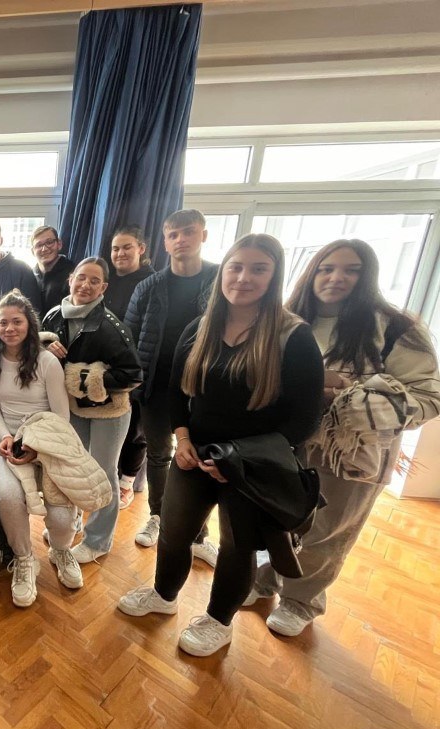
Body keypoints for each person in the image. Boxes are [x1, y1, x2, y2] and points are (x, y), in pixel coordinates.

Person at [117, 234, 324, 657]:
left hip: (253, 467)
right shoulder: (200, 328)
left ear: (274, 276)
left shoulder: (293, 336)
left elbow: (305, 419)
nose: (244, 278)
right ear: (223, 272)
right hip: (195, 454)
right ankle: (163, 595)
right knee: (173, 531)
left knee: (237, 546)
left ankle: (218, 621)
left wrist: (238, 459)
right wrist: (183, 438)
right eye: (236, 267)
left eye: (258, 269)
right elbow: (177, 391)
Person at [250, 239, 440, 636]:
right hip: (288, 440)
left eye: (351, 270)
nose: (336, 278)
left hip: (351, 451)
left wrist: (350, 394)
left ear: (367, 276)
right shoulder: (286, 318)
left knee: (329, 528)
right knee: (278, 517)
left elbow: (428, 396)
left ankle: (301, 600)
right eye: (326, 268)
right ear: (311, 272)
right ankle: (265, 578)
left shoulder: (395, 328)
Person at [125, 210, 219, 565]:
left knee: (203, 458)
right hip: (157, 387)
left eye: (188, 232)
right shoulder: (148, 287)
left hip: (204, 390)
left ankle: (199, 534)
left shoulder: (221, 281)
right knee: (159, 454)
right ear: (165, 242)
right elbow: (129, 337)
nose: (181, 240)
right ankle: (158, 516)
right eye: (174, 235)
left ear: (203, 235)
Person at [41, 257, 143, 563]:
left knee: (103, 473)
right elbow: (39, 352)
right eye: (82, 278)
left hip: (108, 411)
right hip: (73, 407)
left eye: (94, 281)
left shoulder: (112, 327)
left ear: (104, 288)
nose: (86, 285)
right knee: (74, 467)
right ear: (71, 279)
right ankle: (71, 522)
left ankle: (98, 540)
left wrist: (87, 378)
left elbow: (133, 375)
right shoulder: (53, 316)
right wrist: (44, 346)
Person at [0, 291, 79, 607]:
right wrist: (5, 436)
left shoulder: (47, 361)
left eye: (17, 322)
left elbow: (61, 415)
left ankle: (61, 550)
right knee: (9, 498)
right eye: (3, 323)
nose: (9, 328)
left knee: (61, 514)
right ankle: (24, 558)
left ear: (29, 325)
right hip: (7, 439)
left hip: (47, 439)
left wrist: (36, 447)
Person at [103, 226, 155, 509]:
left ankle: (126, 483)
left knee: (136, 429)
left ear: (141, 249)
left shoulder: (151, 282)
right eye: (115, 248)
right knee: (111, 427)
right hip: (107, 366)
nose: (120, 253)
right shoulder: (107, 281)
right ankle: (107, 477)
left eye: (126, 247)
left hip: (136, 366)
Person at [31, 225, 74, 316]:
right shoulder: (29, 276)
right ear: (32, 251)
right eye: (39, 245)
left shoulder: (73, 273)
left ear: (59, 244)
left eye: (49, 242)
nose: (44, 249)